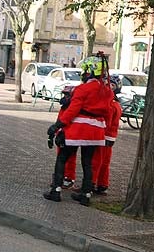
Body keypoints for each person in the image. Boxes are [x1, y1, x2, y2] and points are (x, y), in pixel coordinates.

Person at [43, 55, 113, 206]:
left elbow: (72, 110)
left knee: (62, 158)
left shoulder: (82, 89)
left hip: (78, 129)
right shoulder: (107, 91)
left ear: (89, 71)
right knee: (88, 163)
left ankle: (56, 190)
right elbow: (108, 113)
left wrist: (57, 125)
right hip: (97, 132)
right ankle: (86, 194)